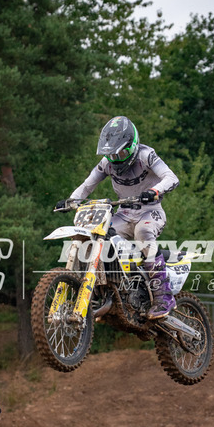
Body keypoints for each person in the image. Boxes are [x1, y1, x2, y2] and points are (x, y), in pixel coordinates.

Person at [56, 116, 179, 318]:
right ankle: (105, 290)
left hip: (150, 211)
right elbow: (87, 185)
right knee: (96, 236)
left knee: (143, 232)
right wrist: (71, 200)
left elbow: (171, 177)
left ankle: (163, 296)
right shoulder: (107, 163)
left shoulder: (146, 155)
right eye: (111, 153)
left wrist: (155, 191)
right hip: (124, 213)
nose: (115, 157)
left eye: (120, 152)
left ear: (132, 146)